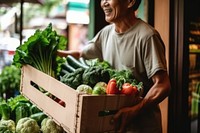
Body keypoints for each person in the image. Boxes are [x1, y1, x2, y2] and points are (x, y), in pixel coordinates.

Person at [58, 0, 171, 132]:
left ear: (130, 2)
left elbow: (163, 85)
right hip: (114, 125)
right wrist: (54, 52)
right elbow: (80, 55)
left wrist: (134, 110)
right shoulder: (106, 33)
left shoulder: (147, 36)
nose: (103, 3)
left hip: (142, 128)